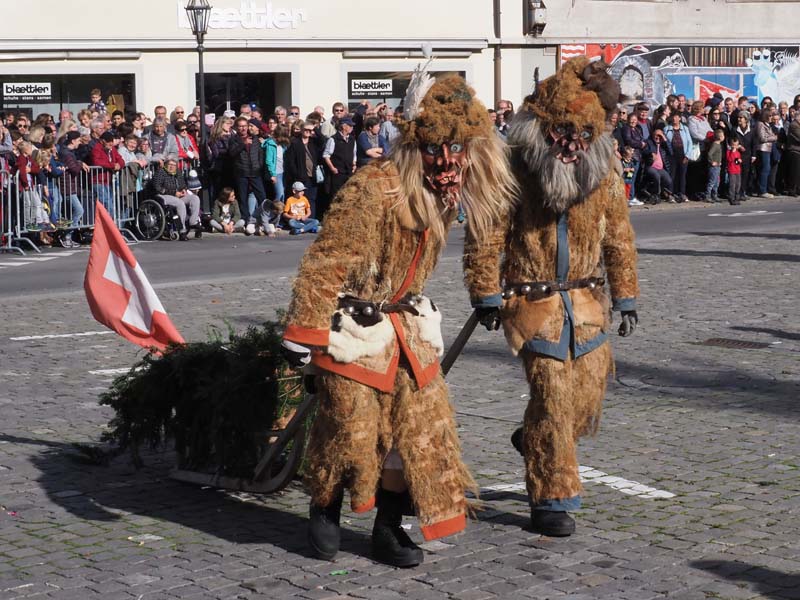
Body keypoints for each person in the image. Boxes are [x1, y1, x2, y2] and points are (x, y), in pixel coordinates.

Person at [280, 70, 516, 567]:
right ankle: (325, 504)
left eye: (457, 149)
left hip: (409, 323)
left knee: (420, 434)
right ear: (416, 146)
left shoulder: (455, 189)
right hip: (355, 326)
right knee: (350, 428)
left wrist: (487, 290)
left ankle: (388, 527)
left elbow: (488, 235)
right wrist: (304, 330)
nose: (447, 162)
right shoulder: (375, 187)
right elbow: (327, 257)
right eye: (435, 150)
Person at [464, 57, 639, 538]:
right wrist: (484, 289)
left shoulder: (603, 167)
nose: (571, 144)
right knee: (554, 398)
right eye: (563, 132)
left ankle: (535, 438)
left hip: (585, 302)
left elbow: (618, 232)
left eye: (582, 134)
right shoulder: (515, 167)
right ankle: (552, 498)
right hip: (533, 302)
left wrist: (625, 293)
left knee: (583, 402)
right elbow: (487, 231)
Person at [228, 116, 267, 234]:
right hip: (242, 172)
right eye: (240, 126)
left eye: (245, 126)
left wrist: (259, 166)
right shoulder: (234, 139)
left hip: (255, 172)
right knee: (243, 197)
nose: (243, 128)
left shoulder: (255, 139)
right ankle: (245, 219)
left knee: (262, 196)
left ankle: (264, 218)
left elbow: (260, 154)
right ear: (237, 127)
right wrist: (243, 144)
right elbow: (232, 153)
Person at [150, 157, 201, 241]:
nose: (172, 167)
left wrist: (184, 189)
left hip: (177, 195)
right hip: (163, 196)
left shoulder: (177, 172)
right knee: (179, 203)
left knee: (194, 198)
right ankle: (182, 231)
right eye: (170, 164)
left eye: (174, 165)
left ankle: (193, 222)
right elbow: (157, 187)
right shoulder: (160, 172)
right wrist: (174, 193)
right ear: (166, 165)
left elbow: (182, 184)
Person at [283, 120, 323, 218]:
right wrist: (296, 174)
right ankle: (299, 219)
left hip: (313, 176)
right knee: (299, 199)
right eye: (305, 129)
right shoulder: (295, 143)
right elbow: (290, 161)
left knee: (311, 199)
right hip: (300, 176)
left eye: (310, 130)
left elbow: (323, 140)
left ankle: (311, 219)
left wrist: (314, 128)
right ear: (301, 130)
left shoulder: (313, 142)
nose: (307, 132)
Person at [322, 116, 357, 200]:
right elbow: (326, 155)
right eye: (350, 125)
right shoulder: (333, 139)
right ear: (343, 126)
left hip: (349, 172)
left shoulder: (352, 139)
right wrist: (332, 168)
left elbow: (354, 154)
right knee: (336, 196)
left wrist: (354, 164)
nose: (352, 127)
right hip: (337, 174)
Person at [665, 111, 691, 202]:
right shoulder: (667, 128)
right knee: (672, 175)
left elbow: (689, 142)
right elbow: (665, 142)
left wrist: (687, 155)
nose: (674, 119)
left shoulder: (685, 128)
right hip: (672, 155)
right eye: (673, 117)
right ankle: (670, 194)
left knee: (682, 175)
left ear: (680, 118)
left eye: (676, 117)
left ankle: (682, 193)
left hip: (683, 154)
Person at [732, 113, 756, 201]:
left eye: (741, 117)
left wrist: (754, 155)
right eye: (738, 117)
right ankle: (736, 193)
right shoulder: (734, 130)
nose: (739, 119)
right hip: (737, 155)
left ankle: (743, 192)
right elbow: (731, 141)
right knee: (737, 174)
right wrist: (737, 146)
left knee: (745, 174)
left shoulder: (752, 130)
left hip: (747, 156)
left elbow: (754, 143)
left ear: (746, 119)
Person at [754, 107, 777, 198]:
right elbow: (762, 138)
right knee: (765, 169)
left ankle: (763, 189)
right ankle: (762, 190)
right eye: (770, 115)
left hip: (768, 149)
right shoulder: (760, 124)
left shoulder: (767, 124)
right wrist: (774, 138)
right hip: (763, 149)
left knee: (766, 169)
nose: (771, 117)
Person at [705, 128, 725, 203]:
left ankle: (714, 195)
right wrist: (712, 162)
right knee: (712, 181)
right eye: (723, 136)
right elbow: (709, 154)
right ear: (719, 137)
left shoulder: (718, 145)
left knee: (717, 182)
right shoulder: (715, 145)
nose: (724, 137)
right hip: (713, 167)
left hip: (718, 166)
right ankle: (708, 196)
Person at [727, 137, 743, 205]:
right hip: (731, 170)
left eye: (736, 145)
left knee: (738, 184)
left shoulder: (738, 153)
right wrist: (732, 151)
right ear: (731, 145)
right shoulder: (729, 152)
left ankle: (737, 197)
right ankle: (732, 198)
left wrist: (740, 161)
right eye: (733, 145)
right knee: (732, 185)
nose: (735, 147)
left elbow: (738, 160)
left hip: (738, 170)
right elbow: (729, 159)